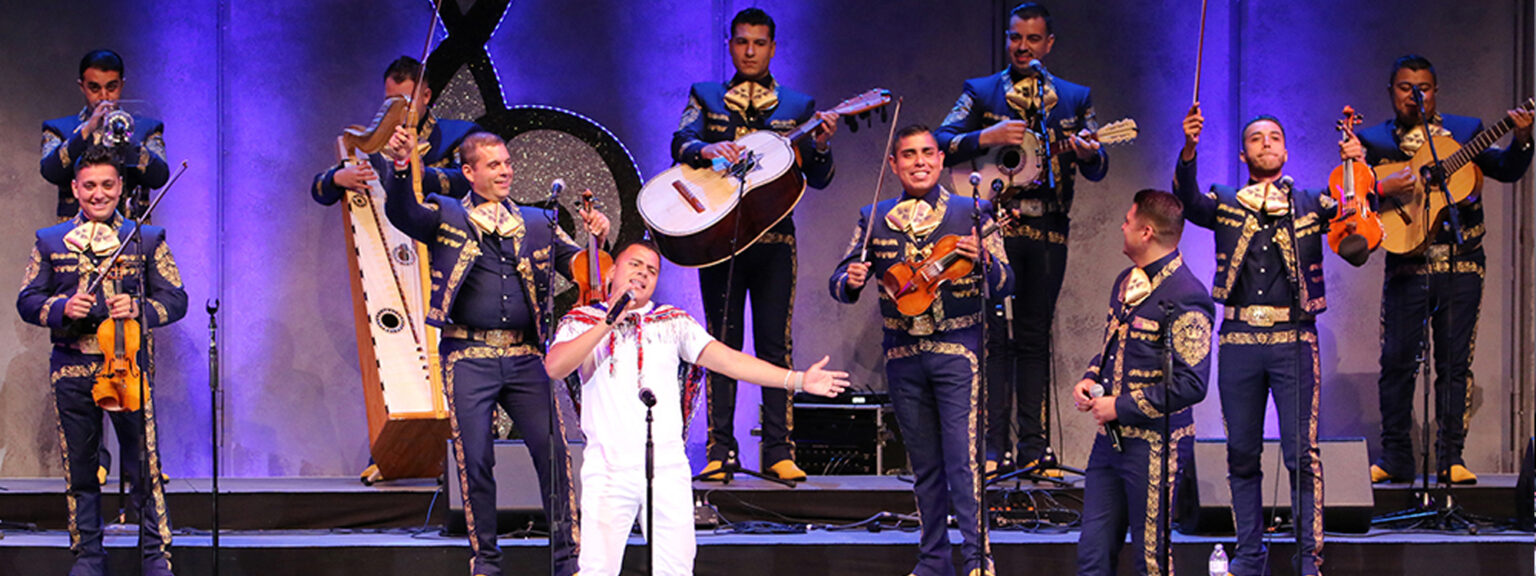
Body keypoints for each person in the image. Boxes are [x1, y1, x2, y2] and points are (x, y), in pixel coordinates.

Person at [545, 238, 849, 576]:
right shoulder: (583, 321)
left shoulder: (673, 321)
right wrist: (609, 321)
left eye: (652, 271)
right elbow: (556, 366)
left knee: (675, 569)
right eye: (635, 265)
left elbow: (730, 361)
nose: (643, 274)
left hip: (667, 467)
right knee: (596, 570)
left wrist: (798, 380)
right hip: (608, 467)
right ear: (613, 270)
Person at [383, 129, 609, 576]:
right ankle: (486, 560)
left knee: (556, 453)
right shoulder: (446, 214)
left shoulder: (538, 221)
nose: (505, 170)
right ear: (468, 172)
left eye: (506, 162)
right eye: (493, 164)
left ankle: (567, 559)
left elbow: (580, 269)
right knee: (476, 457)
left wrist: (595, 240)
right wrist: (400, 167)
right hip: (468, 355)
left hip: (528, 356)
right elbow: (402, 211)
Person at [1340, 54, 1533, 486]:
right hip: (1407, 263)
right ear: (1392, 91)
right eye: (1406, 87)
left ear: (1435, 90)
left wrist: (1522, 139)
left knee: (1455, 363)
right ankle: (1395, 458)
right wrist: (1377, 184)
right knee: (1396, 361)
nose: (1415, 95)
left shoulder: (1465, 132)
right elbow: (1352, 201)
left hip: (1462, 263)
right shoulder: (1374, 140)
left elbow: (1504, 170)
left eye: (1423, 87)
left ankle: (1452, 458)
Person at [933, 2, 1108, 474]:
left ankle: (1035, 448)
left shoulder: (1073, 97)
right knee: (993, 337)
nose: (1023, 47)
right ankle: (993, 449)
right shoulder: (982, 91)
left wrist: (1089, 153)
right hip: (994, 227)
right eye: (1016, 38)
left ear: (1048, 44)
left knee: (1034, 337)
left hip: (1049, 228)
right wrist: (986, 135)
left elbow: (1099, 164)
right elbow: (941, 138)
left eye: (1033, 39)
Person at [830, 125, 1011, 576]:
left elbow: (1007, 282)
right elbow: (840, 278)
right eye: (908, 154)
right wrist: (849, 281)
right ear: (894, 164)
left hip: (958, 351)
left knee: (963, 462)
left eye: (927, 153)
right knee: (924, 464)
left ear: (941, 159)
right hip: (902, 355)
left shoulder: (974, 211)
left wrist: (985, 259)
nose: (919, 161)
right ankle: (933, 559)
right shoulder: (874, 215)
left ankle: (976, 559)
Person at [672, 7, 839, 482]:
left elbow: (820, 178)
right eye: (741, 42)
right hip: (718, 239)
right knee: (719, 342)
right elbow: (680, 141)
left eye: (759, 43)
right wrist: (705, 149)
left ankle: (778, 450)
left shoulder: (799, 106)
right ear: (730, 44)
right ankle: (719, 450)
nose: (749, 51)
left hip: (774, 241)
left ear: (772, 47)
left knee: (773, 342)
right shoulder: (706, 97)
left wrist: (822, 146)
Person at [1175, 104, 1336, 576]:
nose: (1265, 143)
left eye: (1273, 137)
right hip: (1240, 339)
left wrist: (1355, 161)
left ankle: (1309, 559)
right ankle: (1249, 555)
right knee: (1241, 452)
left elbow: (1354, 210)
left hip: (1294, 338)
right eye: (1255, 139)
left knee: (1300, 454)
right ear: (1244, 154)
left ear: (1286, 150)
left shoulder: (1308, 202)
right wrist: (1189, 149)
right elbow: (1186, 199)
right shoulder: (1226, 200)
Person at [18, 146, 187, 576]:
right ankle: (89, 555)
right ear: (75, 189)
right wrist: (60, 309)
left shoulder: (146, 238)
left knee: (144, 467)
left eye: (108, 185)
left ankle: (154, 555)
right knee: (80, 469)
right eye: (89, 185)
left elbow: (177, 299)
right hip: (71, 370)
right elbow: (26, 300)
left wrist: (141, 310)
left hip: (129, 371)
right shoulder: (50, 240)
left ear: (121, 187)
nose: (99, 194)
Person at [1071, 189, 1213, 576]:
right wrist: (1090, 377)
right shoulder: (1126, 281)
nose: (1122, 225)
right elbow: (1112, 347)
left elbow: (1191, 383)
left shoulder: (1187, 294)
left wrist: (1120, 405)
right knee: (1092, 552)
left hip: (1155, 445)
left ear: (1146, 231)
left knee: (1150, 557)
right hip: (1111, 441)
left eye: (1128, 220)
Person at [312, 55, 481, 206]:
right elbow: (318, 190)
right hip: (390, 234)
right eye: (390, 101)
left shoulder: (462, 134)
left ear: (426, 96)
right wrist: (336, 179)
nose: (397, 108)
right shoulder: (378, 140)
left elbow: (471, 181)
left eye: (405, 101)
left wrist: (423, 174)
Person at [42, 49, 169, 220]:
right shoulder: (58, 128)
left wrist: (127, 138)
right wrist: (86, 131)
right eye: (94, 88)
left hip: (132, 235)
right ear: (82, 86)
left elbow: (159, 177)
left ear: (121, 85)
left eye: (111, 87)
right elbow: (51, 172)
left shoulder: (147, 128)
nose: (103, 96)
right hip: (75, 236)